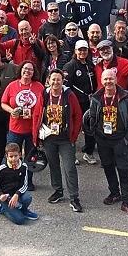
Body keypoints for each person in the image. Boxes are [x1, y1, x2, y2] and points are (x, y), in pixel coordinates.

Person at [82, 68, 128, 216]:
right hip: (103, 139)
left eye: (111, 78)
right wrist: (95, 133)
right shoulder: (96, 97)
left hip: (120, 139)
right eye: (106, 79)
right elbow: (92, 116)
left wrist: (127, 138)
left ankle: (127, 201)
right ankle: (114, 192)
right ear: (102, 81)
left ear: (116, 79)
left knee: (123, 169)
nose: (108, 81)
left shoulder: (125, 97)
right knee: (107, 166)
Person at [34, 70, 84, 212]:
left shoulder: (69, 95)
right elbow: (37, 115)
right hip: (49, 138)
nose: (56, 82)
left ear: (63, 81)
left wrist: (73, 135)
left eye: (58, 80)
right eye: (53, 79)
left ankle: (74, 197)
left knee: (69, 167)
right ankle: (58, 190)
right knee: (53, 165)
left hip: (65, 139)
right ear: (48, 80)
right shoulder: (44, 94)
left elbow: (77, 115)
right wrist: (36, 136)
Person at [1, 61, 43, 171]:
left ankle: (27, 179)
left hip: (32, 129)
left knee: (30, 160)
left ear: (34, 72)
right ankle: (8, 178)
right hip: (15, 129)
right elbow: (3, 103)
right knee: (11, 157)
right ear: (20, 70)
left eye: (30, 69)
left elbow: (44, 105)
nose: (27, 71)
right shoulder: (12, 85)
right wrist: (11, 111)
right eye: (25, 68)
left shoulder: (39, 86)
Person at [0, 142, 38, 224]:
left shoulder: (23, 166)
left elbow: (25, 184)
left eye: (16, 156)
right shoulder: (2, 168)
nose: (13, 159)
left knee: (27, 197)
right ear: (7, 156)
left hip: (16, 194)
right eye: (11, 156)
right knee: (20, 220)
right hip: (6, 197)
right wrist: (0, 195)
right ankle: (2, 208)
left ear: (20, 155)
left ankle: (24, 210)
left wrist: (17, 194)